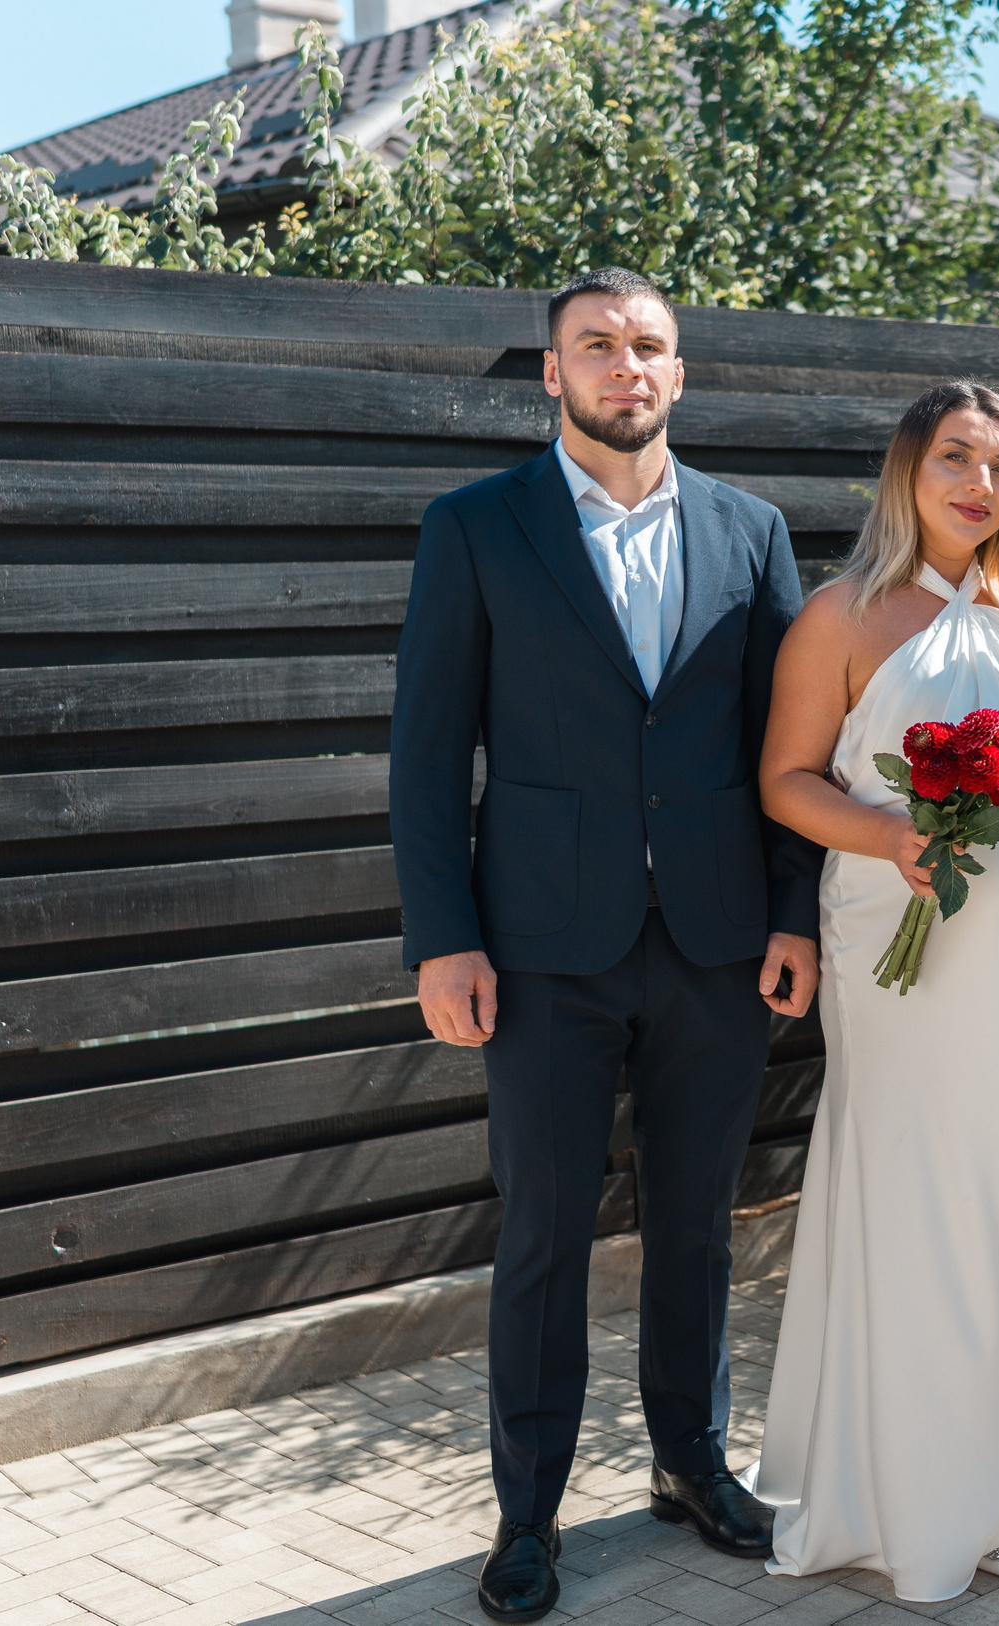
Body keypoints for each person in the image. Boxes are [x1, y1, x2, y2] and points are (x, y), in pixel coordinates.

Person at [390, 268, 822, 1623]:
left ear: (678, 375)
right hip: (538, 953)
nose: (624, 367)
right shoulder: (475, 528)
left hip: (712, 944)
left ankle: (692, 1464)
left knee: (696, 1230)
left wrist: (794, 912)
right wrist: (443, 937)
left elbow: (786, 748)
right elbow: (423, 755)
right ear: (553, 374)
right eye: (597, 346)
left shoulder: (751, 532)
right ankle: (527, 1515)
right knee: (544, 1236)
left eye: (648, 348)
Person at [751, 382, 999, 1602]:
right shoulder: (838, 617)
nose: (979, 487)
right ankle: (895, 1493)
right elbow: (787, 782)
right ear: (908, 471)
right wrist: (893, 838)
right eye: (956, 459)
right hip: (892, 948)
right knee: (908, 1187)